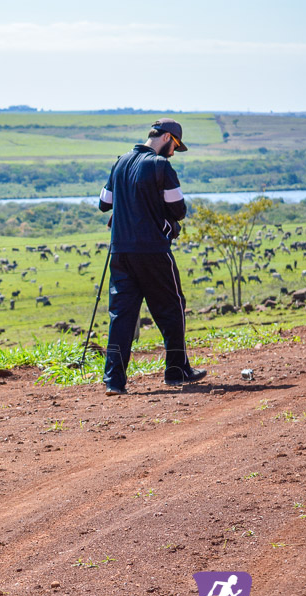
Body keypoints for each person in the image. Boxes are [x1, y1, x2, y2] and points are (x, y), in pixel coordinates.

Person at [98, 118, 206, 395]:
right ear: (168, 137)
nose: (174, 152)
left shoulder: (120, 162)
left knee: (120, 316)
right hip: (154, 251)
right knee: (172, 308)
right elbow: (178, 209)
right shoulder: (161, 166)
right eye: (176, 145)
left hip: (120, 251)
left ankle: (114, 381)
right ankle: (176, 370)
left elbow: (104, 204)